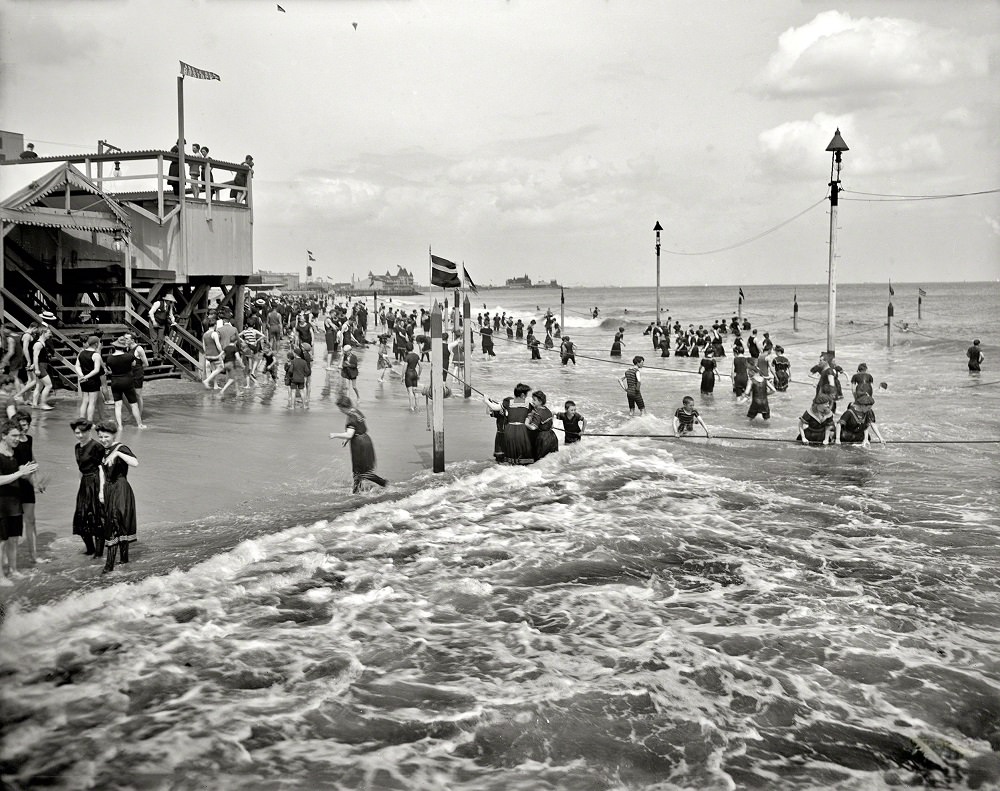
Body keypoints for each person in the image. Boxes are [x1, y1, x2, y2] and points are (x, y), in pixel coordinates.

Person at [95, 421, 138, 573]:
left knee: (115, 524)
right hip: (108, 489)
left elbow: (135, 463)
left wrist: (118, 454)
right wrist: (101, 491)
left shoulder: (121, 448)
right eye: (100, 437)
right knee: (114, 523)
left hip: (121, 489)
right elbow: (101, 471)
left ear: (113, 435)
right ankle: (124, 562)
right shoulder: (103, 450)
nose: (103, 439)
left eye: (106, 436)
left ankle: (109, 568)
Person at [0, 419, 38, 585]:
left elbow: (16, 474)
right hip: (0, 503)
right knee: (1, 541)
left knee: (14, 538)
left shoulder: (15, 454)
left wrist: (29, 474)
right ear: (3, 436)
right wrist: (19, 473)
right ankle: (1, 577)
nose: (17, 439)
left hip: (15, 501)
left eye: (19, 435)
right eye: (13, 436)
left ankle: (13, 570)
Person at [329, 393, 388, 493]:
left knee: (362, 472)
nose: (340, 411)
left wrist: (335, 435)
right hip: (365, 440)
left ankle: (383, 483)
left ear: (343, 407)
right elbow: (356, 429)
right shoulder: (356, 411)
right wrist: (346, 440)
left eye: (340, 408)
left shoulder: (350, 418)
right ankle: (356, 491)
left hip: (360, 444)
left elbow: (349, 434)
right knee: (358, 471)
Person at [13, 410, 44, 564]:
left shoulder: (29, 439)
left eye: (26, 425)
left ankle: (33, 556)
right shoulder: (12, 441)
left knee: (31, 521)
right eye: (21, 425)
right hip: (14, 484)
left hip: (27, 485)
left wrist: (37, 479)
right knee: (12, 523)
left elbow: (31, 459)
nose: (24, 428)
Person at [70, 419, 104, 557]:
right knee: (81, 518)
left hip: (96, 482)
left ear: (89, 431)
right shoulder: (77, 447)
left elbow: (102, 468)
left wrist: (102, 490)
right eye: (77, 432)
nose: (79, 435)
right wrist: (80, 486)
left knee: (97, 518)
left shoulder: (97, 446)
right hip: (84, 483)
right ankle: (90, 549)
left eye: (82, 432)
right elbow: (81, 469)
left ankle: (99, 553)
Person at [485, 383, 534, 465]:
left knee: (509, 455)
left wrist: (486, 400)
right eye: (526, 395)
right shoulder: (527, 404)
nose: (526, 397)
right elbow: (534, 413)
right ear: (522, 395)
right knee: (521, 453)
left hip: (509, 429)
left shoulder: (508, 402)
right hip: (521, 430)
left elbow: (493, 407)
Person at [106, 336, 146, 428]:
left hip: (115, 381)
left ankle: (119, 426)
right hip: (127, 381)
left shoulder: (109, 358)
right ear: (124, 347)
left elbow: (109, 368)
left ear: (114, 347)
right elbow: (134, 364)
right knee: (134, 404)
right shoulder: (129, 356)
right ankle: (139, 424)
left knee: (118, 405)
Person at [75, 334, 104, 421]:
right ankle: (90, 422)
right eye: (99, 343)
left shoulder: (81, 353)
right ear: (96, 344)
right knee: (92, 403)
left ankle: (82, 420)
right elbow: (96, 370)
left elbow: (77, 366)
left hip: (83, 380)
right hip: (93, 380)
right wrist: (86, 376)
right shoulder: (96, 355)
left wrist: (82, 376)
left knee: (84, 401)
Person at [526, 390, 558, 461]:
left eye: (534, 400)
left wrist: (526, 424)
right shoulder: (547, 410)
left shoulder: (538, 413)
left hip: (543, 439)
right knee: (550, 460)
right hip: (552, 436)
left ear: (540, 401)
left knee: (540, 460)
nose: (532, 401)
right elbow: (551, 423)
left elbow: (533, 427)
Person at [31, 326, 55, 410]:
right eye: (49, 333)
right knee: (49, 385)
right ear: (43, 333)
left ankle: (34, 404)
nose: (50, 335)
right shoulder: (38, 344)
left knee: (39, 386)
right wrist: (36, 369)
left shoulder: (43, 343)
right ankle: (43, 404)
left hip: (43, 366)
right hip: (40, 367)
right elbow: (35, 357)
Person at [486, 395, 511, 463]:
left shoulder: (514, 412)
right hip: (500, 434)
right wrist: (489, 403)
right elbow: (489, 412)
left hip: (510, 435)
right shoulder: (500, 410)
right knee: (499, 456)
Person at [403, 343, 422, 412]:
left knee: (410, 391)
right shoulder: (416, 356)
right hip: (414, 373)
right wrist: (419, 375)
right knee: (415, 391)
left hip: (408, 374)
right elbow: (421, 366)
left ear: (406, 349)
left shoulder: (407, 357)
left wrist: (402, 376)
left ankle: (411, 407)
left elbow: (405, 367)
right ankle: (417, 406)